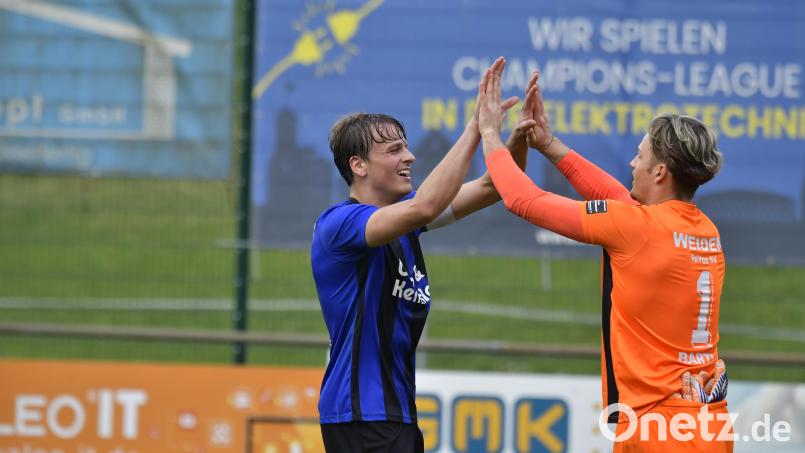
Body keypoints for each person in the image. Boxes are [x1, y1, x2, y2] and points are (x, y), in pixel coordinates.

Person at [477, 58, 731, 451]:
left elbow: (523, 198)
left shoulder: (638, 228)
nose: (633, 163)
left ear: (660, 172)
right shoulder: (704, 230)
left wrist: (490, 135)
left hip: (657, 430)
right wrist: (548, 144)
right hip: (706, 423)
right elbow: (618, 199)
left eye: (640, 156)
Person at [311, 58, 538, 453]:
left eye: (407, 146)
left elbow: (492, 187)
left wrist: (517, 137)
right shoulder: (340, 224)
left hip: (395, 416)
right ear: (358, 165)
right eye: (394, 150)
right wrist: (475, 129)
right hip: (361, 417)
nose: (410, 157)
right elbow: (426, 207)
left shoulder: (405, 222)